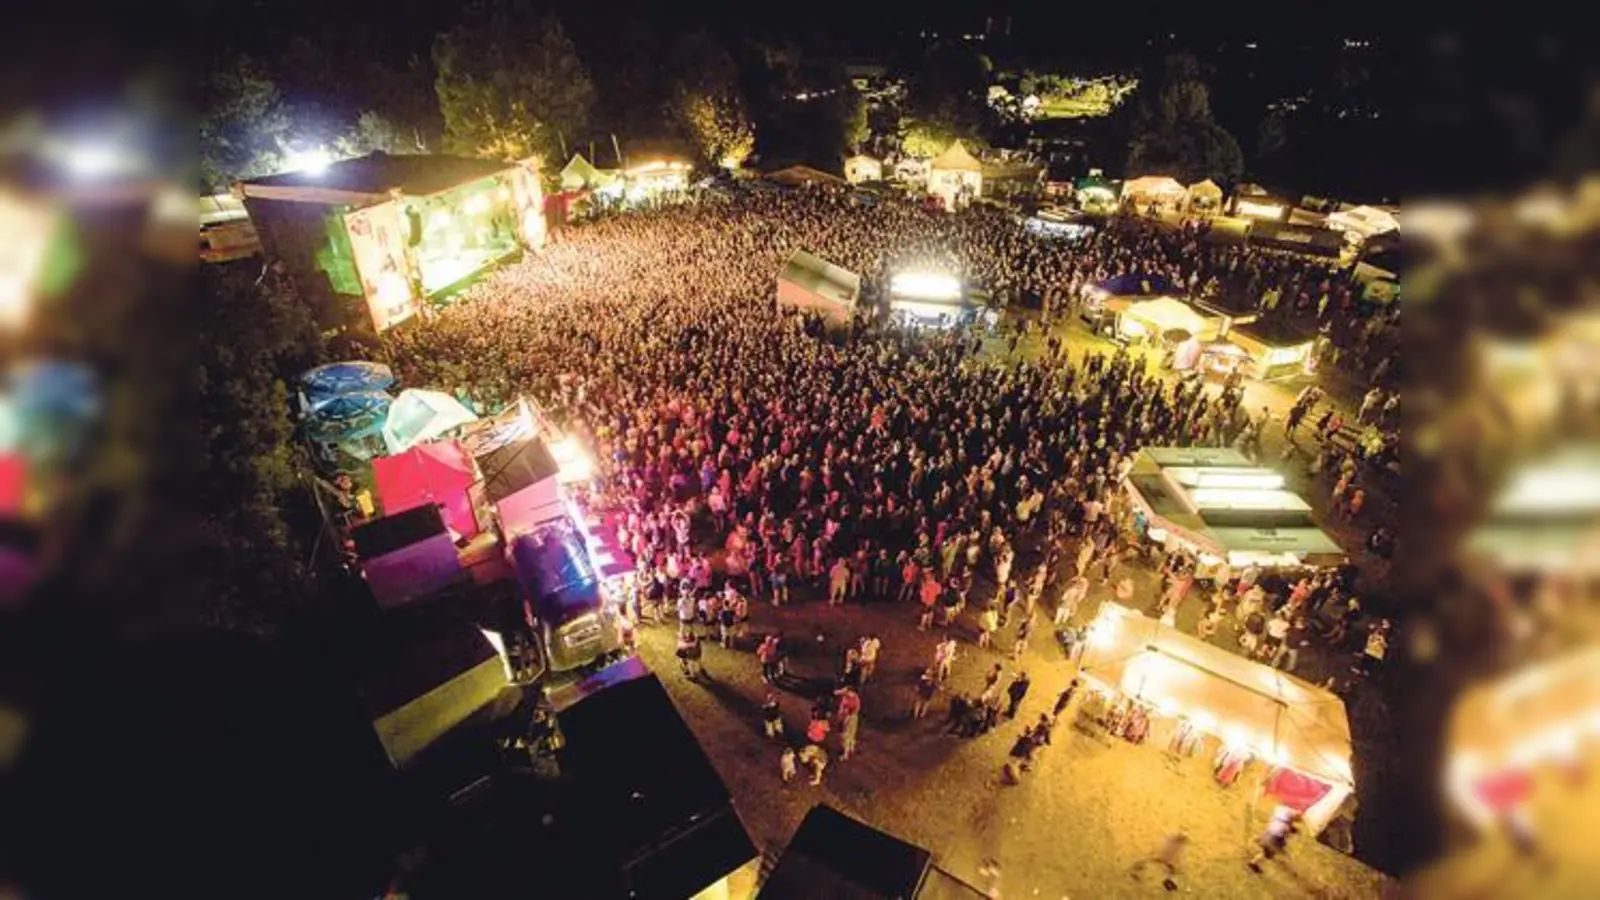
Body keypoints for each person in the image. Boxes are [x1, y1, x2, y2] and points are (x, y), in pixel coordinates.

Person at [1247, 807, 1301, 872]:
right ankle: (1254, 862)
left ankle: (1254, 860)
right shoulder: (1288, 816)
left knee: (1267, 847)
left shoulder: (1280, 809)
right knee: (1275, 852)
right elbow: (1287, 828)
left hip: (1271, 830)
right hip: (1275, 837)